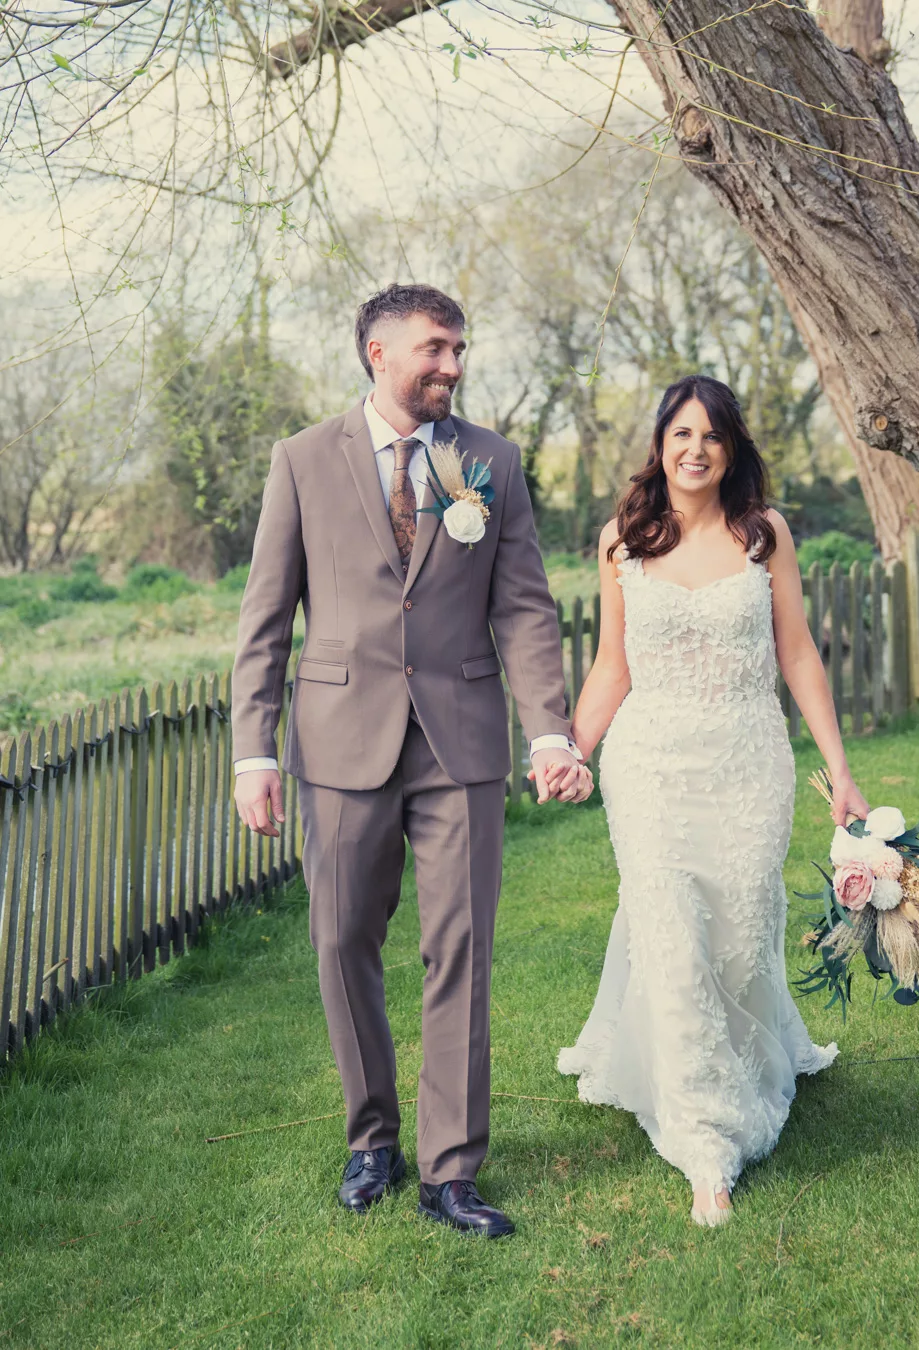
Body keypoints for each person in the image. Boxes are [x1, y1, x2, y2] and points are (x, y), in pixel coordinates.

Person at [231, 283, 593, 1240]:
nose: (454, 366)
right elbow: (266, 621)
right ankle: (372, 1140)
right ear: (378, 352)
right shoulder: (304, 461)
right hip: (340, 740)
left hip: (460, 739)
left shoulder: (492, 461)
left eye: (461, 349)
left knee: (460, 947)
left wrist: (549, 728)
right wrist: (252, 753)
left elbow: (523, 605)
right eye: (437, 348)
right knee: (342, 938)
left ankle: (451, 1169)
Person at [552, 374, 868, 1227]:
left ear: (733, 450)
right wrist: (569, 750)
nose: (695, 450)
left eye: (712, 436)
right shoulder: (624, 540)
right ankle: (704, 1145)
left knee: (737, 938)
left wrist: (839, 769)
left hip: (747, 758)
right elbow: (612, 667)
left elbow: (798, 654)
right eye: (680, 434)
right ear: (660, 442)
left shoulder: (764, 536)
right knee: (672, 930)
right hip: (649, 762)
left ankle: (753, 1058)